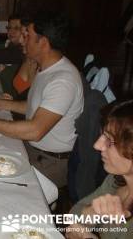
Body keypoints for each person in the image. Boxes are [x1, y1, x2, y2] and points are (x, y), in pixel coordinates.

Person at [0, 13, 84, 187]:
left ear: (44, 42)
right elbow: (35, 108)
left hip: (49, 163)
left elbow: (35, 130)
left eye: (28, 36)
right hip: (32, 149)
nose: (24, 41)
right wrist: (2, 103)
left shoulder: (62, 80)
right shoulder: (46, 69)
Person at [66, 100, 133, 239]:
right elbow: (73, 217)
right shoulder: (115, 181)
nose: (97, 145)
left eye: (110, 140)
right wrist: (92, 212)